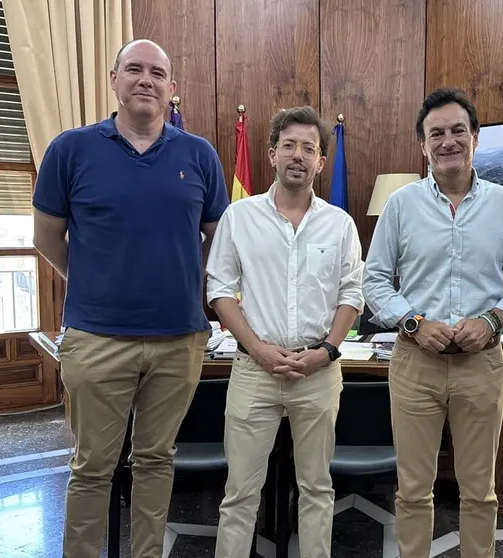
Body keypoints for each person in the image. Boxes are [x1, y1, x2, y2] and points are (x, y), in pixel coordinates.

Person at [32, 39, 229, 558]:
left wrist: (182, 277)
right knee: (91, 467)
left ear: (172, 88)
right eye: (135, 69)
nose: (146, 80)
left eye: (157, 73)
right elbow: (47, 238)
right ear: (114, 79)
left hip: (179, 340)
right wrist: (95, 280)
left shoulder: (199, 155)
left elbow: (218, 240)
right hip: (96, 339)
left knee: (157, 460)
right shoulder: (70, 150)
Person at [363, 87, 503, 558]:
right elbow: (374, 280)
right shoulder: (401, 205)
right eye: (436, 133)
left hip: (481, 365)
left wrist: (493, 320)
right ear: (422, 144)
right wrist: (412, 323)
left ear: (475, 137)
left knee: (480, 491)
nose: (448, 142)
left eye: (458, 131)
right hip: (415, 364)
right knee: (413, 490)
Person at [206, 106, 364, 558]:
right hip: (254, 372)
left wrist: (327, 350)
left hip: (318, 373)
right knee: (240, 495)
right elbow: (220, 290)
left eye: (308, 148)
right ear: (272, 153)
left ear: (321, 162)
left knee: (316, 489)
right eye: (289, 145)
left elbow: (352, 293)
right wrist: (257, 349)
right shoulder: (239, 217)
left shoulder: (340, 224)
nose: (298, 155)